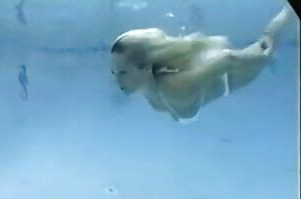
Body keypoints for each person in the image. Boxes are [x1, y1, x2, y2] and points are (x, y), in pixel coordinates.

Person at [110, 5, 294, 123]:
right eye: (114, 72)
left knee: (267, 41)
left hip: (230, 76)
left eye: (122, 73)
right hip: (205, 69)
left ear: (144, 68)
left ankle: (288, 10)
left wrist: (261, 58)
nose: (117, 80)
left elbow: (227, 59)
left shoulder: (176, 85)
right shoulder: (146, 80)